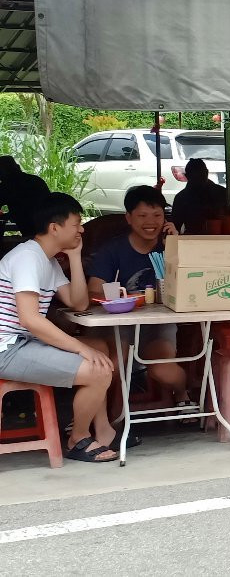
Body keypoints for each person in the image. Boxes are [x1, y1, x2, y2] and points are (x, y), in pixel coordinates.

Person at [0, 193, 118, 462]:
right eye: (76, 224)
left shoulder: (48, 260)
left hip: (22, 343)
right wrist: (78, 347)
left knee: (98, 348)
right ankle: (78, 438)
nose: (82, 229)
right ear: (55, 228)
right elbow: (30, 319)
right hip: (6, 347)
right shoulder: (28, 257)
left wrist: (75, 256)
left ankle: (102, 430)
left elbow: (78, 303)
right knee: (97, 370)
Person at [87, 186, 194, 413]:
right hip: (117, 324)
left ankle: (184, 393)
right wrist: (123, 297)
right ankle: (98, 414)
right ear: (128, 218)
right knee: (114, 365)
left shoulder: (170, 247)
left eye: (157, 215)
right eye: (142, 215)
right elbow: (93, 292)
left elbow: (193, 287)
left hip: (157, 324)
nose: (151, 222)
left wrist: (176, 247)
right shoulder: (112, 250)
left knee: (161, 369)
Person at [170, 158, 227, 234]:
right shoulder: (221, 192)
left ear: (186, 176)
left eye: (199, 176)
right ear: (206, 173)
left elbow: (175, 228)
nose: (197, 180)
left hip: (192, 240)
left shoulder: (181, 197)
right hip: (221, 241)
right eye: (195, 176)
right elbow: (174, 228)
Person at [0, 155, 51, 238]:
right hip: (47, 224)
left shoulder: (6, 186)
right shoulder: (36, 180)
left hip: (28, 227)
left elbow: (22, 210)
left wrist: (7, 215)